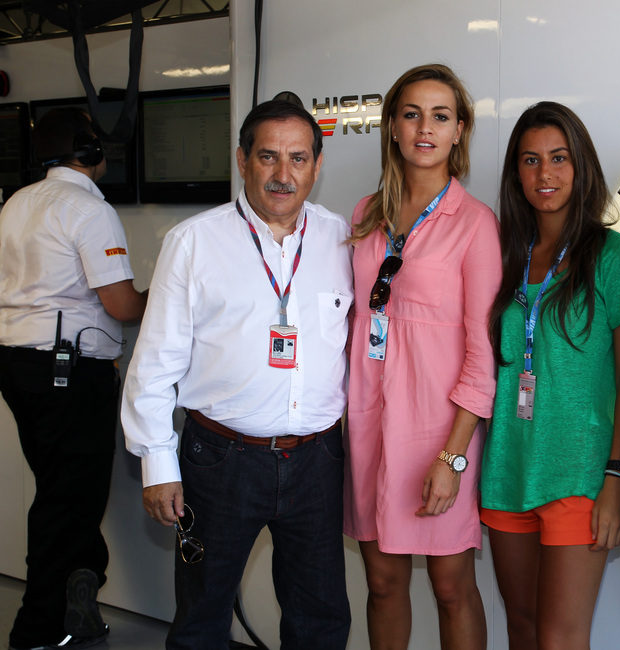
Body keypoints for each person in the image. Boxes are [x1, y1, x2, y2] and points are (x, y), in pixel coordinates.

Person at [120, 99, 353, 649]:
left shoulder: (341, 238)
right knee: (202, 620)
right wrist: (158, 462)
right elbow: (153, 363)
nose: (283, 174)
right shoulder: (194, 242)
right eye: (268, 157)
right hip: (221, 461)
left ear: (317, 166)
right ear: (243, 161)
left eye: (298, 158)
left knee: (321, 618)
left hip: (318, 460)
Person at [479, 101, 620, 649]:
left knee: (560, 638)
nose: (544, 174)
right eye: (530, 160)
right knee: (523, 629)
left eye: (558, 158)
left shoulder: (615, 256)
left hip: (579, 475)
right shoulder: (501, 256)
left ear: (581, 167)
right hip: (507, 469)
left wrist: (617, 479)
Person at [343, 63, 501, 650]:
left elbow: (484, 354)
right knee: (382, 582)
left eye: (441, 116)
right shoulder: (365, 214)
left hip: (439, 431)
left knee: (451, 584)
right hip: (368, 423)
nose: (424, 128)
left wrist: (454, 457)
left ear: (460, 130)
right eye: (411, 114)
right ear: (391, 126)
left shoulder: (476, 224)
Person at [0, 107, 147, 650]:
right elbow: (122, 303)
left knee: (62, 491)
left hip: (18, 364)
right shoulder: (87, 209)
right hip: (69, 371)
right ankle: (35, 629)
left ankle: (78, 598)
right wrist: (168, 296)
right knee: (68, 502)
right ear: (86, 153)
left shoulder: (18, 201)